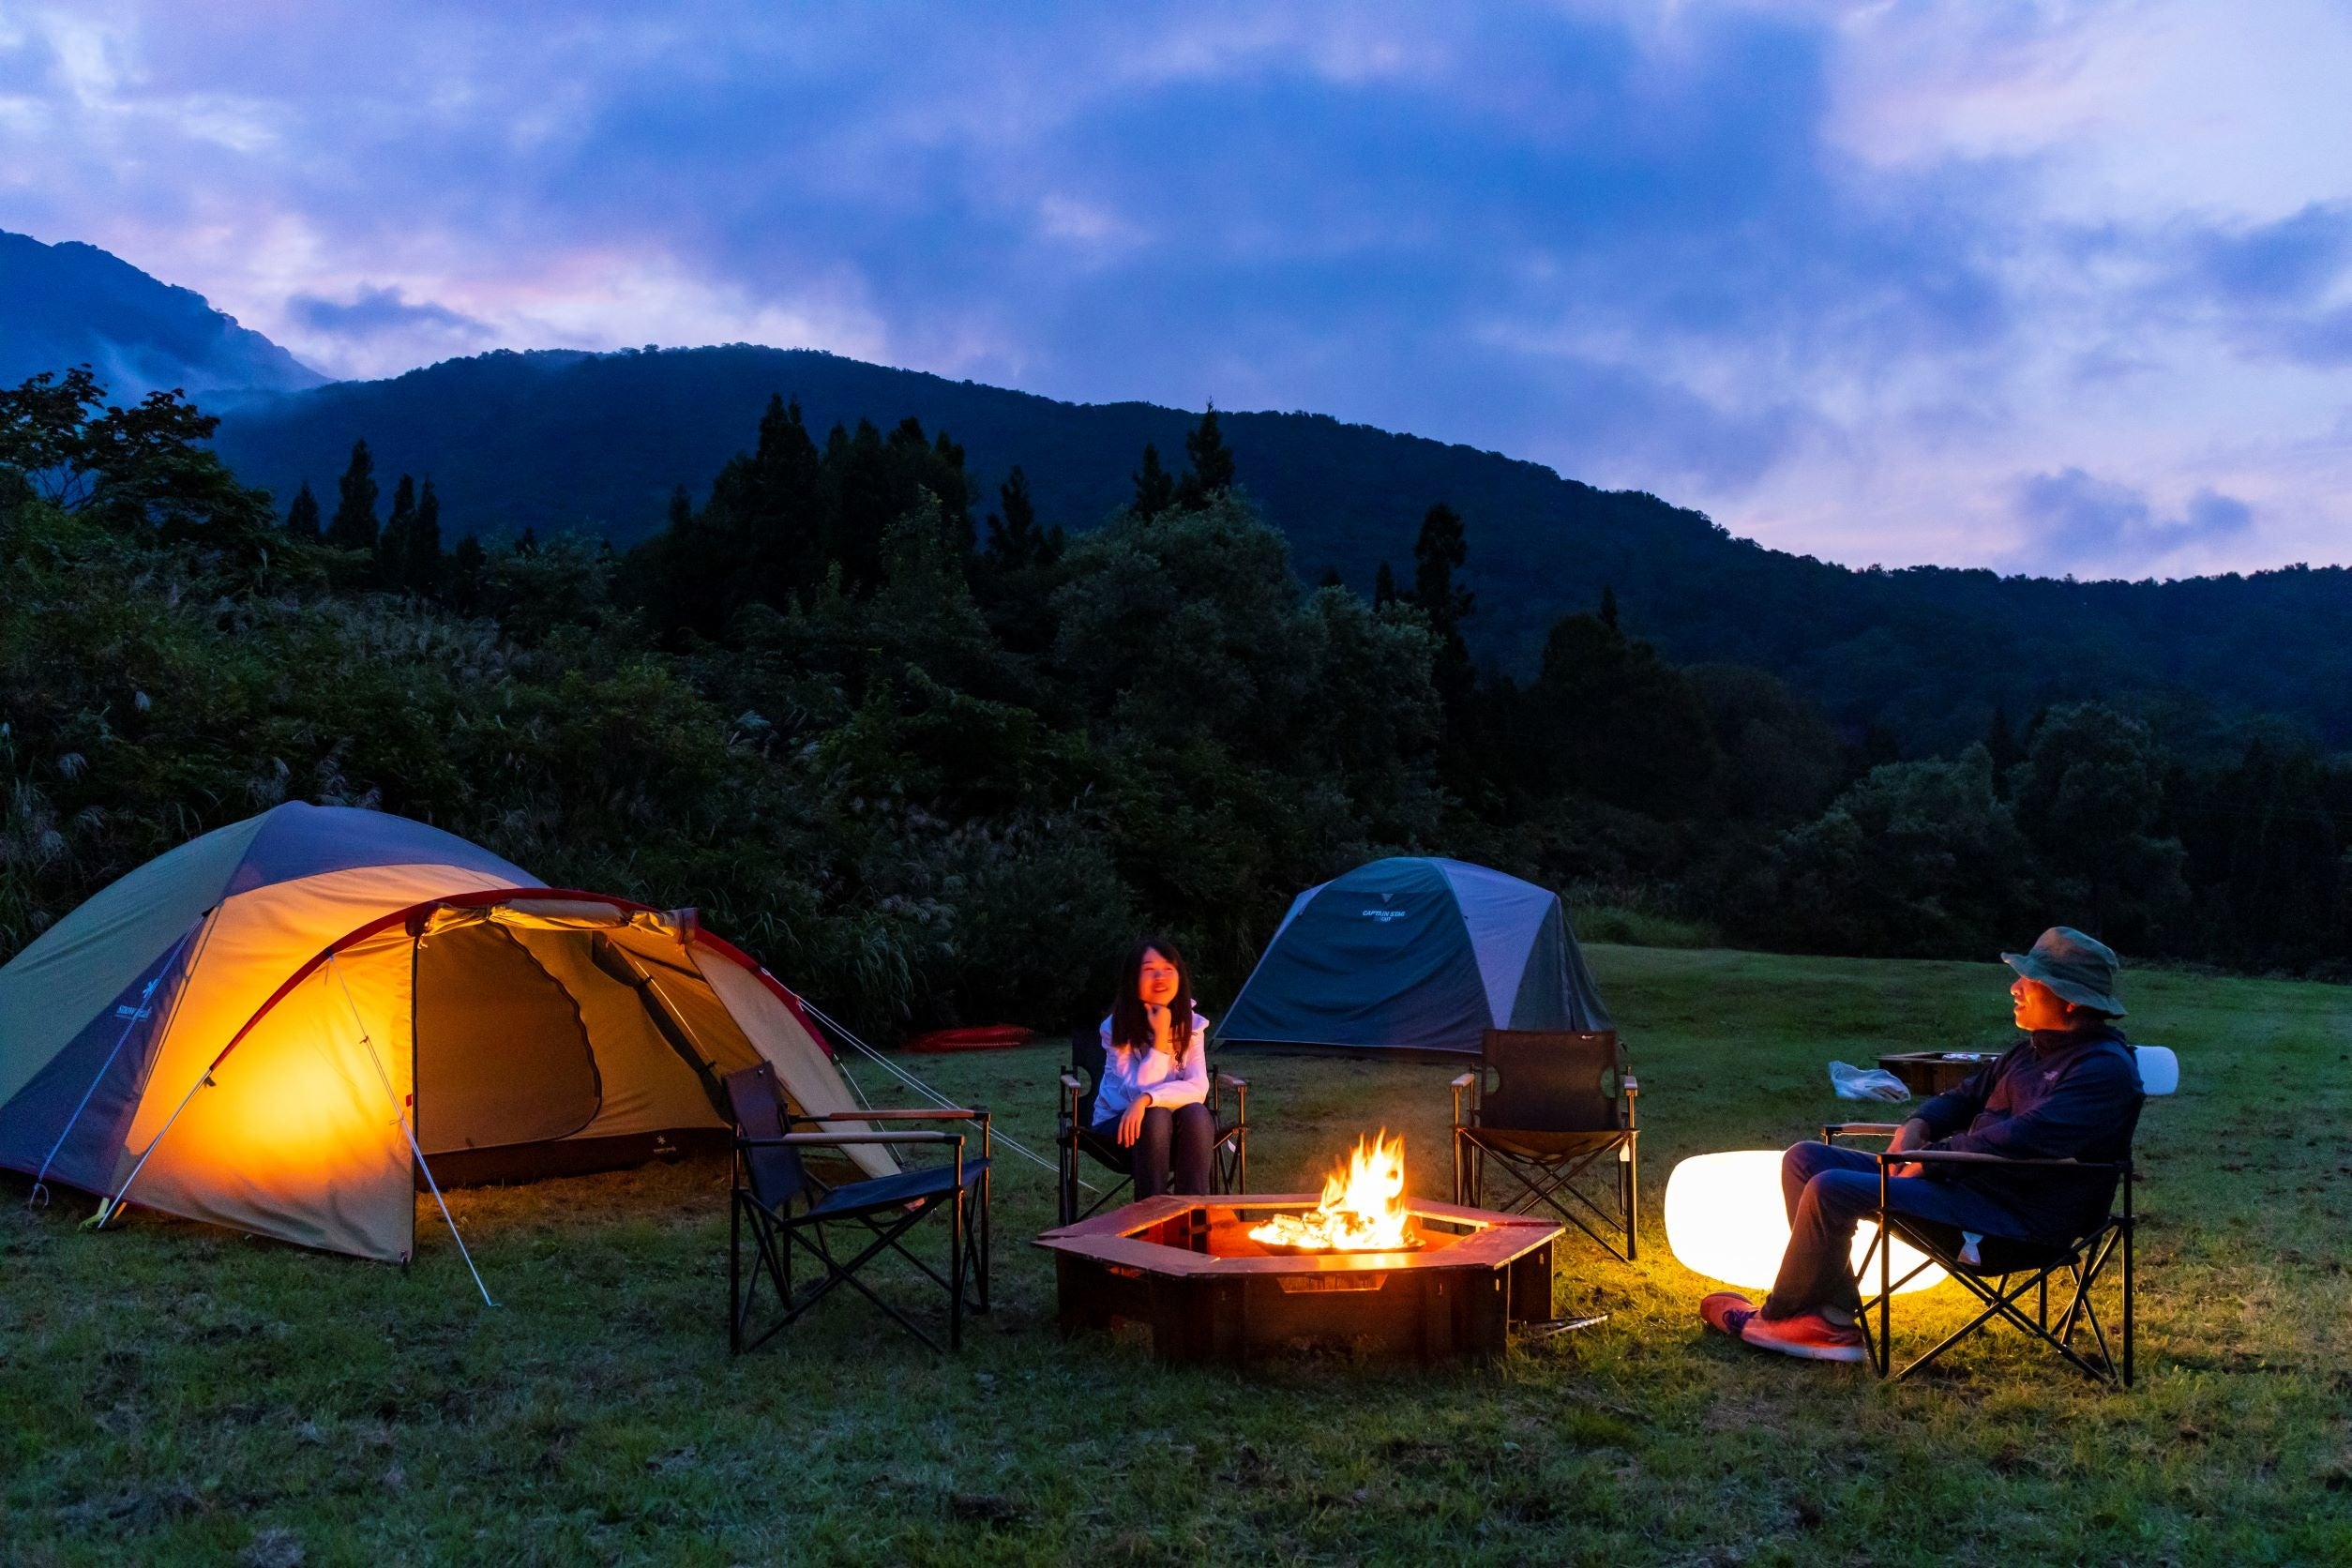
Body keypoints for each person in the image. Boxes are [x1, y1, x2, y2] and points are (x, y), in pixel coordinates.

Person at [1700, 927, 2144, 1364]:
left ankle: (1779, 1316)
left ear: (2070, 999)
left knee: (1832, 1187)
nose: (2015, 988)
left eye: (2030, 981)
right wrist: (1917, 1127)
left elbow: (2025, 1137)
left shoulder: (2103, 1069)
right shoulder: (2028, 1053)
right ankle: (1827, 1316)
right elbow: (1962, 1098)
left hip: (2019, 1222)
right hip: (1966, 1192)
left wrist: (1931, 1163)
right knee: (1805, 1159)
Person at [1094, 938, 1215, 1199]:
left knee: (1195, 1111)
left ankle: (1191, 1217)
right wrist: (1161, 1039)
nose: (1160, 976)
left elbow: (1198, 1087)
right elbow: (1135, 1088)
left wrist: (1147, 1100)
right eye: (1149, 970)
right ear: (1133, 979)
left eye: (1168, 969)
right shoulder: (1115, 1028)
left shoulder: (1193, 1026)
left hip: (1177, 1127)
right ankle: (1152, 1220)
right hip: (1120, 1126)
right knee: (1156, 1115)